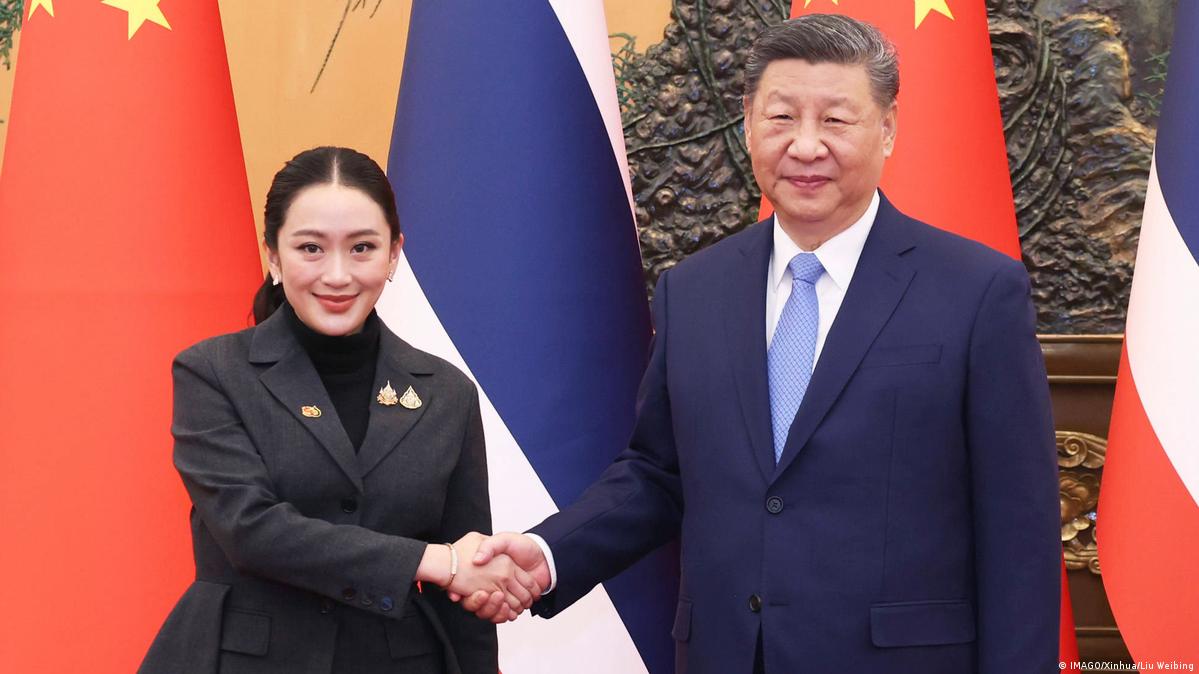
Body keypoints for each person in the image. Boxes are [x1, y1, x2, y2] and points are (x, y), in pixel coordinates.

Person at [460, 15, 1061, 674]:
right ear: (747, 124)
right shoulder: (694, 290)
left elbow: (1019, 528)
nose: (805, 146)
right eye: (781, 118)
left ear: (887, 128)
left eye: (835, 120)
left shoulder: (977, 291)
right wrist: (549, 555)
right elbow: (659, 473)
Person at [139, 147, 539, 674]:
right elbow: (250, 530)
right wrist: (435, 561)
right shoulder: (212, 372)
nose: (337, 274)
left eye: (362, 248)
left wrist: (466, 580)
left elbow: (469, 585)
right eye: (311, 248)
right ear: (273, 256)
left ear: (393, 255)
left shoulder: (447, 393)